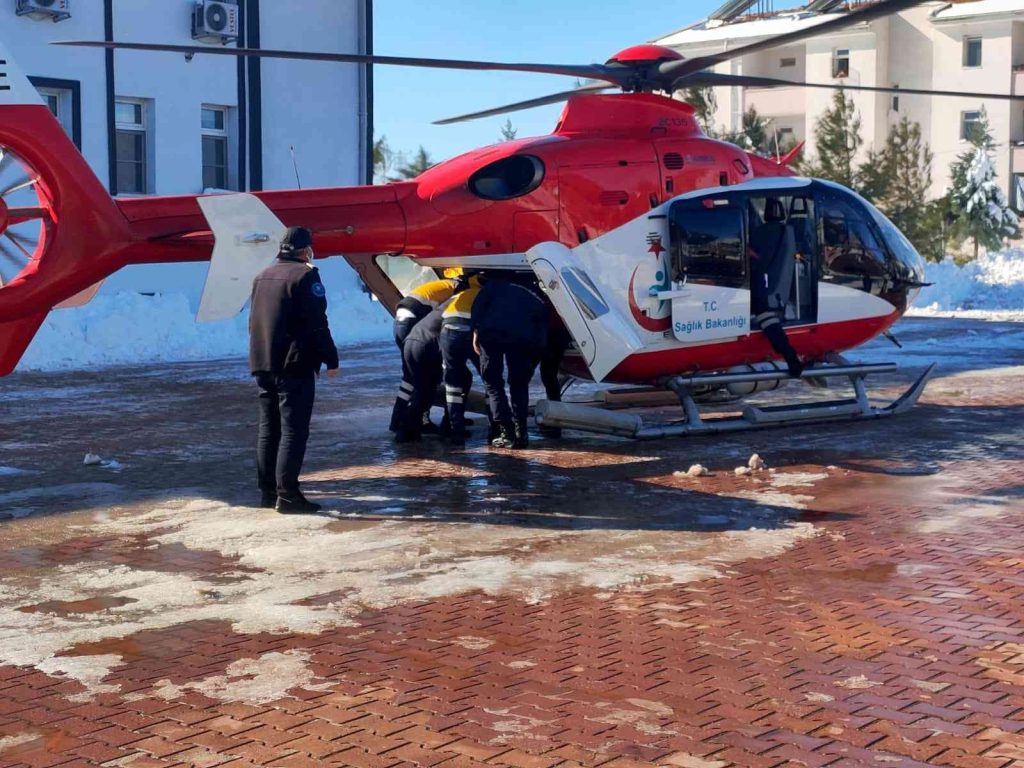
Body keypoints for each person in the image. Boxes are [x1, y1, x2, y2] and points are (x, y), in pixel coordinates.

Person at [249, 226, 339, 514]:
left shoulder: (262, 276)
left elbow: (254, 320)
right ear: (306, 250)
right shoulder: (306, 275)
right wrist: (331, 357)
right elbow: (317, 322)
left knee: (269, 429)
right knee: (293, 431)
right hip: (294, 363)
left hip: (263, 362)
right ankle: (288, 495)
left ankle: (268, 492)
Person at [472, 273, 548, 449]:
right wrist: (533, 362)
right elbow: (541, 331)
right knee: (519, 384)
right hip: (522, 337)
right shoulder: (537, 293)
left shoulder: (493, 285)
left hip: (491, 333)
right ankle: (521, 432)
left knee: (492, 382)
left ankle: (505, 430)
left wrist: (475, 331)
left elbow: (477, 308)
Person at [389, 274, 464, 432]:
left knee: (411, 376)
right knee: (429, 376)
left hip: (400, 322)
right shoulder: (457, 290)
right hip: (414, 323)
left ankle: (398, 419)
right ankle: (424, 419)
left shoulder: (442, 285)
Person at [748, 199, 803, 378]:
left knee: (764, 314)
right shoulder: (786, 232)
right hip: (765, 286)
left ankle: (790, 355)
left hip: (758, 284)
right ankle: (790, 356)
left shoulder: (761, 235)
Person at [439, 274, 483, 446]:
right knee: (490, 380)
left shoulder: (457, 296)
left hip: (448, 334)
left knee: (453, 383)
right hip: (469, 334)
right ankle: (497, 426)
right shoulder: (484, 294)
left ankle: (453, 428)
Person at [395, 305, 446, 443]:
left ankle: (403, 425)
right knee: (426, 391)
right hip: (425, 346)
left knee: (419, 389)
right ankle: (406, 429)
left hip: (409, 342)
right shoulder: (458, 306)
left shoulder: (443, 307)